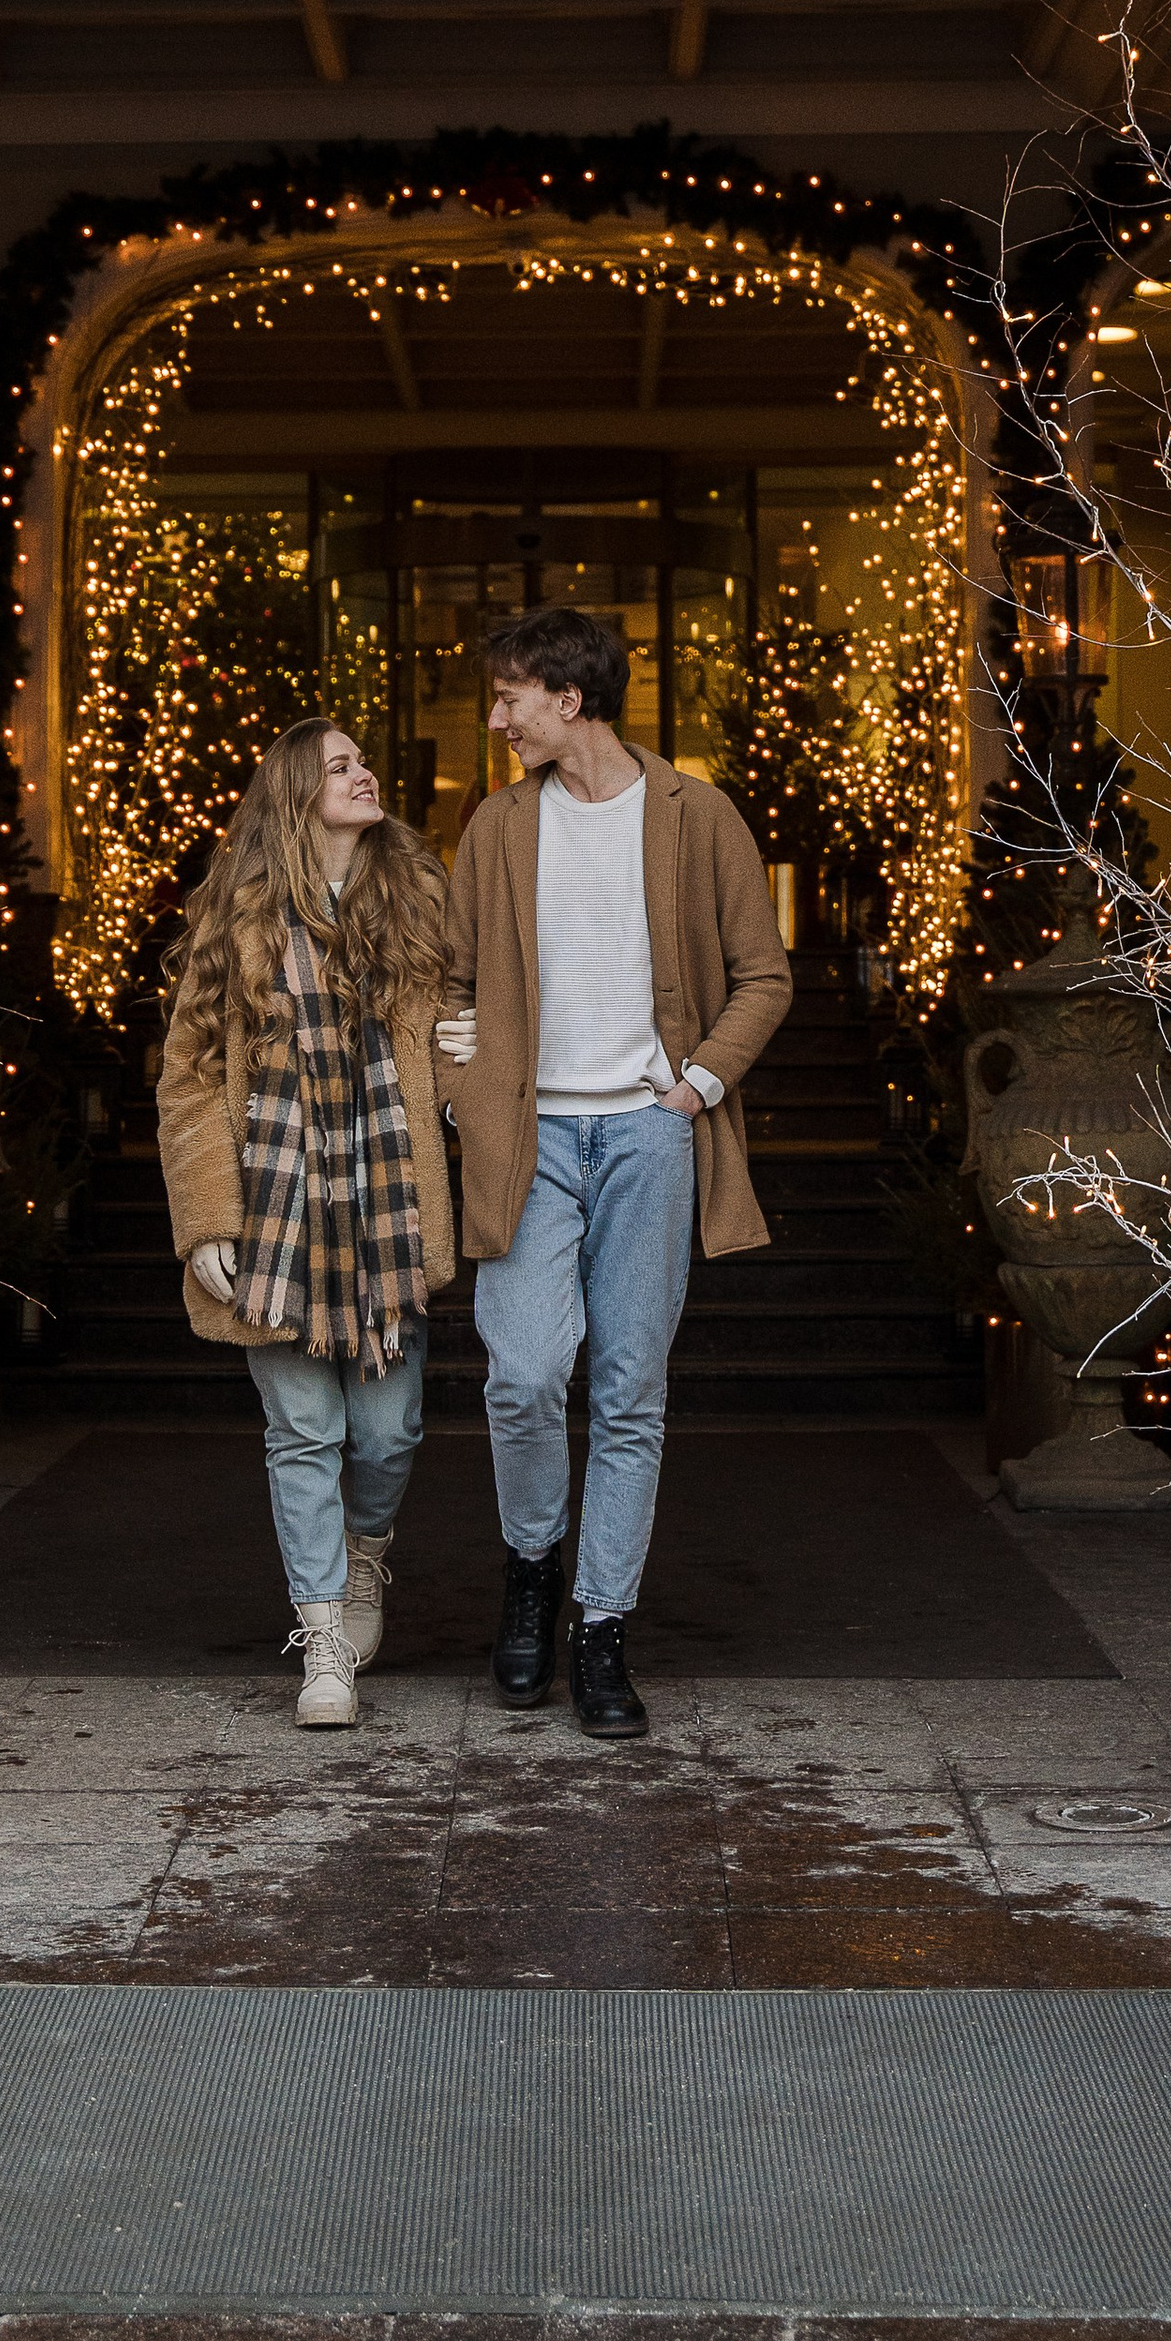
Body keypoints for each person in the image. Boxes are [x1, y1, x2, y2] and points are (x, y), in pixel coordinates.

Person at [439, 607, 791, 1739]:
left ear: (568, 701)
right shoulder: (494, 827)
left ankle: (598, 1629)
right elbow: (450, 982)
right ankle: (531, 1569)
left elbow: (762, 976)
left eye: (509, 697)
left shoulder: (697, 815)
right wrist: (465, 1089)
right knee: (524, 1374)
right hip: (527, 1143)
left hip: (648, 1136)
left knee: (630, 1391)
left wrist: (694, 1087)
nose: (496, 717)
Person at [157, 715, 458, 1728]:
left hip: (386, 1212)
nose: (365, 773)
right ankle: (322, 1640)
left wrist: (466, 1041)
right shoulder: (232, 918)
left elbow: (460, 1033)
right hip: (275, 1212)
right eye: (341, 766)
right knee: (302, 1429)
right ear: (295, 794)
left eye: (365, 760)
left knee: (389, 1430)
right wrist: (206, 1219)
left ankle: (366, 1552)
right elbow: (190, 1074)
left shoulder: (416, 902)